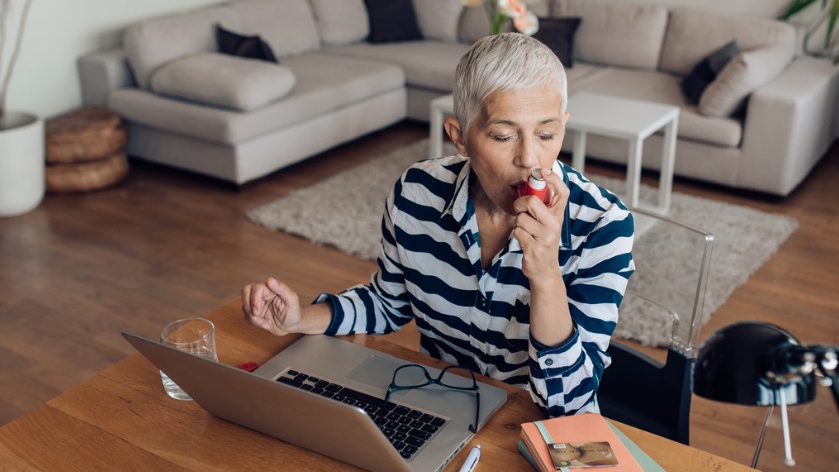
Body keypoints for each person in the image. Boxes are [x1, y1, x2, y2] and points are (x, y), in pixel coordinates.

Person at [242, 33, 634, 417]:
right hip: (438, 410)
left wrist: (547, 277)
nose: (530, 158)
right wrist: (299, 319)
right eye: (502, 135)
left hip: (533, 432)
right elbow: (388, 303)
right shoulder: (417, 193)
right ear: (459, 137)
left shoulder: (603, 227)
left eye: (547, 134)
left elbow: (569, 404)